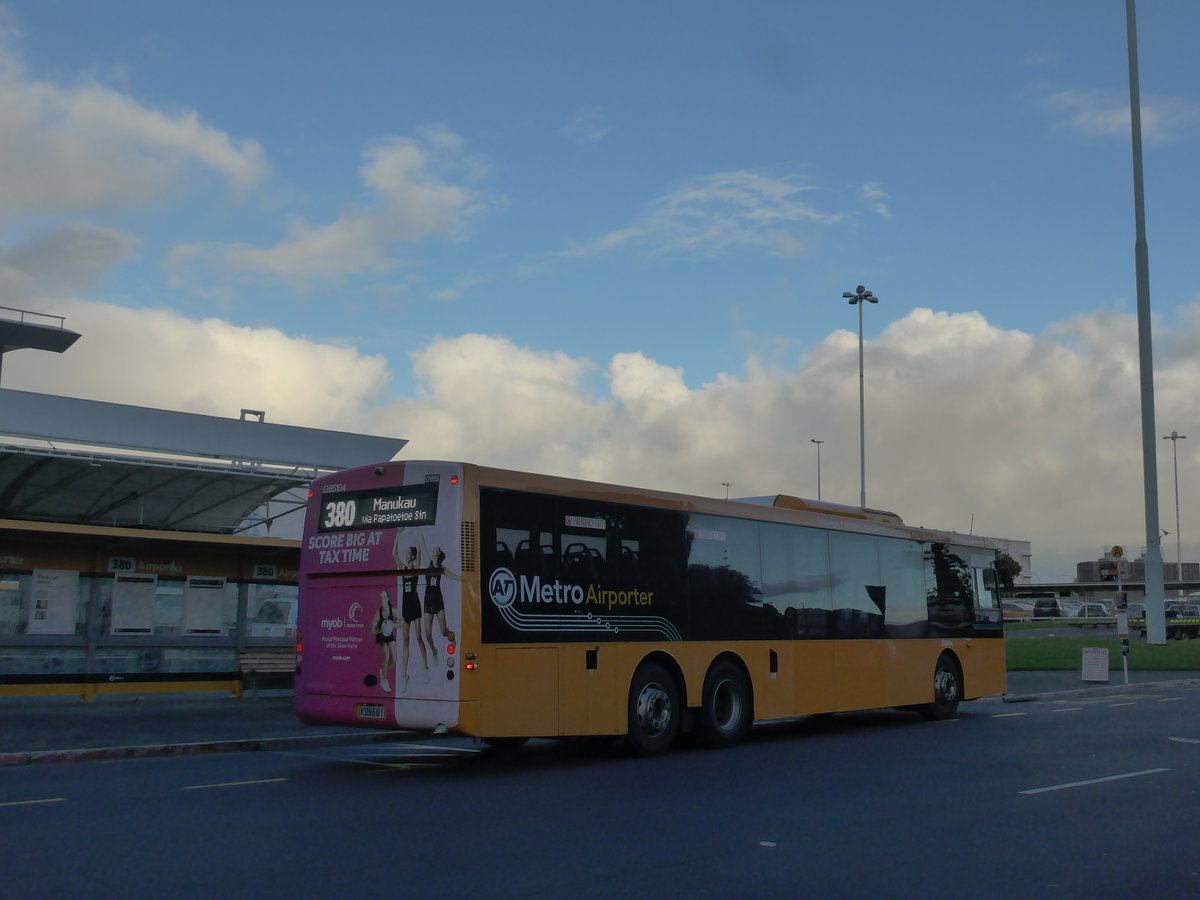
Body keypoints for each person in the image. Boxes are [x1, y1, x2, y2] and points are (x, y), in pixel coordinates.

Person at [393, 537, 430, 690]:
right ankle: (404, 674)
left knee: (419, 637)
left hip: (415, 605)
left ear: (413, 556)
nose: (406, 555)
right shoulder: (403, 568)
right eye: (406, 553)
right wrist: (398, 535)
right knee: (406, 640)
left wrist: (418, 536)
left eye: (409, 553)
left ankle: (426, 668)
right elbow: (394, 554)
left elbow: (420, 551)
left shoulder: (416, 568)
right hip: (405, 607)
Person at [422, 547, 456, 664]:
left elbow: (452, 575)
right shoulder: (428, 562)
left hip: (438, 600)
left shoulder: (441, 567)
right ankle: (434, 651)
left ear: (438, 553)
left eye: (435, 550)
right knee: (427, 634)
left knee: (443, 632)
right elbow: (422, 544)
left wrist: (462, 578)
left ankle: (450, 635)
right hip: (428, 601)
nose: (433, 550)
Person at [370, 589, 398, 692]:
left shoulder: (393, 610)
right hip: (381, 635)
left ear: (388, 598)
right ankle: (384, 681)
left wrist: (394, 625)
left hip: (389, 635)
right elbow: (372, 629)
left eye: (385, 597)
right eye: (381, 597)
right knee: (387, 655)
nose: (383, 599)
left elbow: (403, 622)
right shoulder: (379, 612)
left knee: (394, 659)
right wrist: (380, 630)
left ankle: (383, 671)